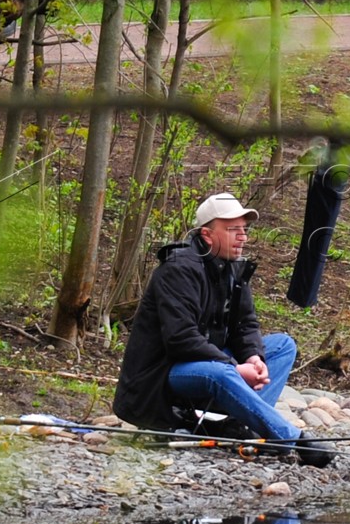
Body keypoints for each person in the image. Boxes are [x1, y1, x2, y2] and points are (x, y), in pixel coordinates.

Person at [113, 192, 334, 467]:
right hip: (161, 376)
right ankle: (293, 440)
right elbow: (181, 340)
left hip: (211, 365)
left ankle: (244, 427)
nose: (243, 237)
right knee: (221, 373)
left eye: (244, 229)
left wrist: (254, 357)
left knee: (282, 346)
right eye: (233, 230)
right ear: (207, 235)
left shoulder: (232, 269)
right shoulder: (178, 270)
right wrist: (234, 367)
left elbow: (246, 325)